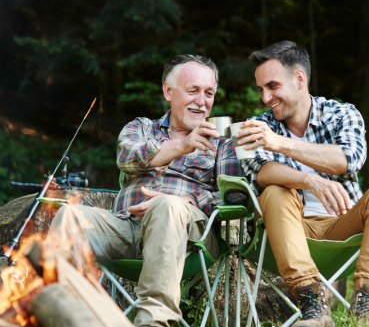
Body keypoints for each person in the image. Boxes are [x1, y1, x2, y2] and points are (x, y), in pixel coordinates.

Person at [47, 55, 241, 327]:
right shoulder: (141, 127)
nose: (202, 101)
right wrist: (183, 145)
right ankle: (65, 316)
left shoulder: (224, 144)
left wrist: (185, 200)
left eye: (208, 93)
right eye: (193, 91)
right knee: (69, 217)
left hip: (189, 237)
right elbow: (127, 157)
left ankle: (153, 322)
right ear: (168, 91)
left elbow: (234, 196)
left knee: (167, 207)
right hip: (128, 227)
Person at [237, 41, 369, 327]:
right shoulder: (258, 125)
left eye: (272, 86)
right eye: (261, 89)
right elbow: (261, 172)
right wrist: (308, 179)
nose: (265, 97)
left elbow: (348, 158)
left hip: (343, 224)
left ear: (299, 79)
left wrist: (279, 143)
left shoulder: (341, 114)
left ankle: (367, 302)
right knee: (275, 191)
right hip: (290, 226)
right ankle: (313, 305)